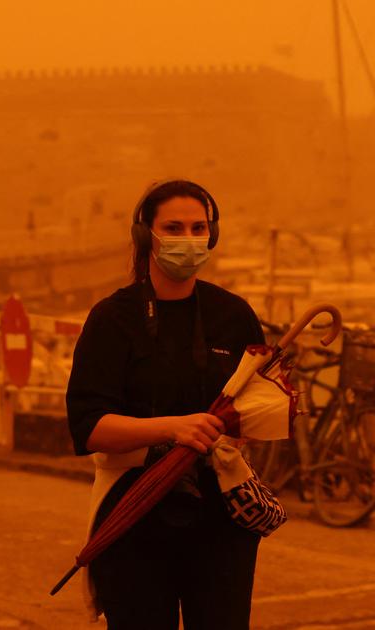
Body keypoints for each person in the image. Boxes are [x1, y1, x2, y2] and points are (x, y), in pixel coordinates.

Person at [66, 180, 266, 629]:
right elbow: (88, 426)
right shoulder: (111, 320)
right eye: (173, 228)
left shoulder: (233, 315)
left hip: (221, 515)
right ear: (146, 236)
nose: (188, 240)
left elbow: (254, 411)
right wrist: (172, 428)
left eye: (199, 228)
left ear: (211, 236)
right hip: (133, 509)